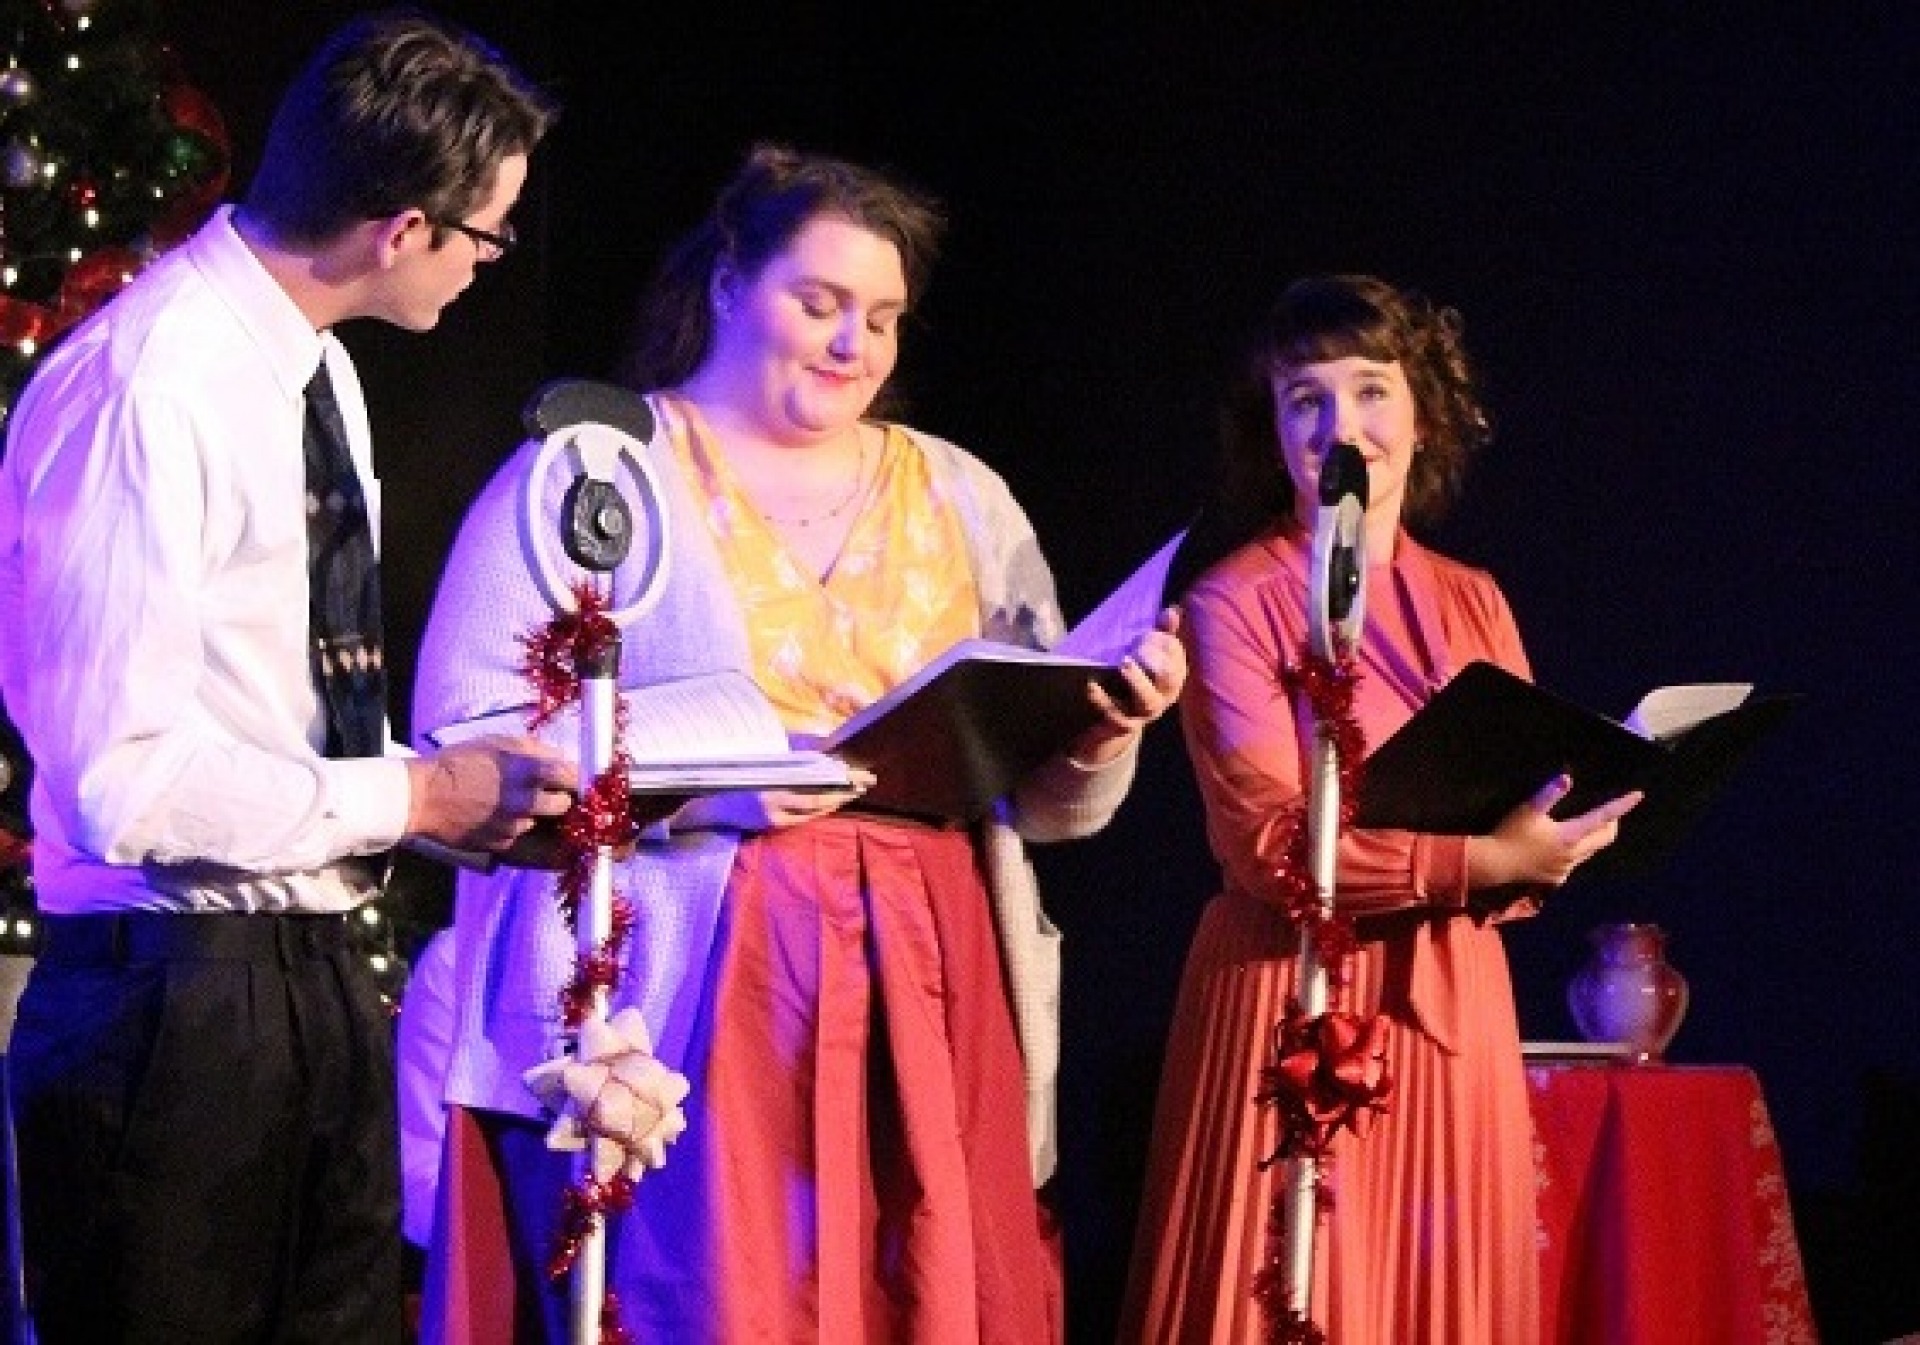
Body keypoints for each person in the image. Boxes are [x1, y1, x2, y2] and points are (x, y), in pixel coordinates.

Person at [410, 141, 1187, 1343]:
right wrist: (701, 790)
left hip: (929, 964)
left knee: (918, 1281)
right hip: (702, 975)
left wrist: (1102, 723)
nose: (852, 344)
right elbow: (465, 745)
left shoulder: (959, 493)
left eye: (881, 318)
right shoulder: (600, 472)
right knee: (720, 1288)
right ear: (730, 284)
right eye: (819, 303)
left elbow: (1046, 802)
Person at [0, 12, 567, 1341]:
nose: (488, 265)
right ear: (403, 228)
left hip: (307, 974)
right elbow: (121, 782)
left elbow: (278, 705)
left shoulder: (318, 373)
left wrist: (458, 803)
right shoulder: (147, 386)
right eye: (488, 236)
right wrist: (414, 797)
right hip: (171, 1006)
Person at [1119, 274, 1642, 1343]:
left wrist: (1556, 837)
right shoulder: (1233, 601)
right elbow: (1272, 845)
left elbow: (1518, 804)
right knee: (1296, 1291)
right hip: (1292, 1001)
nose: (1340, 426)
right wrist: (1484, 861)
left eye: (1370, 390)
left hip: (1452, 1005)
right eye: (1304, 399)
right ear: (1273, 430)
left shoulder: (1474, 597)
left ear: (1422, 415)